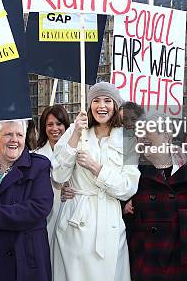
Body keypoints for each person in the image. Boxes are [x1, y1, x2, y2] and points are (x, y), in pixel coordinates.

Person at [52, 82, 140, 281]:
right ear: (89, 105)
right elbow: (58, 175)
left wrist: (97, 169)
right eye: (96, 100)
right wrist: (74, 134)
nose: (102, 106)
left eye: (108, 101)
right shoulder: (75, 132)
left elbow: (128, 188)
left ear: (116, 106)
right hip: (77, 222)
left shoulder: (128, 140)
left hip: (110, 223)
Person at [128, 111, 187, 280]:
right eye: (139, 133)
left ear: (167, 136)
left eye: (148, 131)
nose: (142, 137)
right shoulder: (132, 173)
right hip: (149, 262)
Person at [0, 119, 53, 281]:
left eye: (19, 135)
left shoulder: (38, 166)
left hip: (25, 259)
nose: (14, 139)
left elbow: (39, 208)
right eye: (8, 134)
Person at [34, 104, 70, 246]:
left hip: (70, 216)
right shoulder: (35, 156)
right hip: (47, 217)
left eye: (59, 124)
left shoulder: (77, 152)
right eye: (50, 124)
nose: (54, 128)